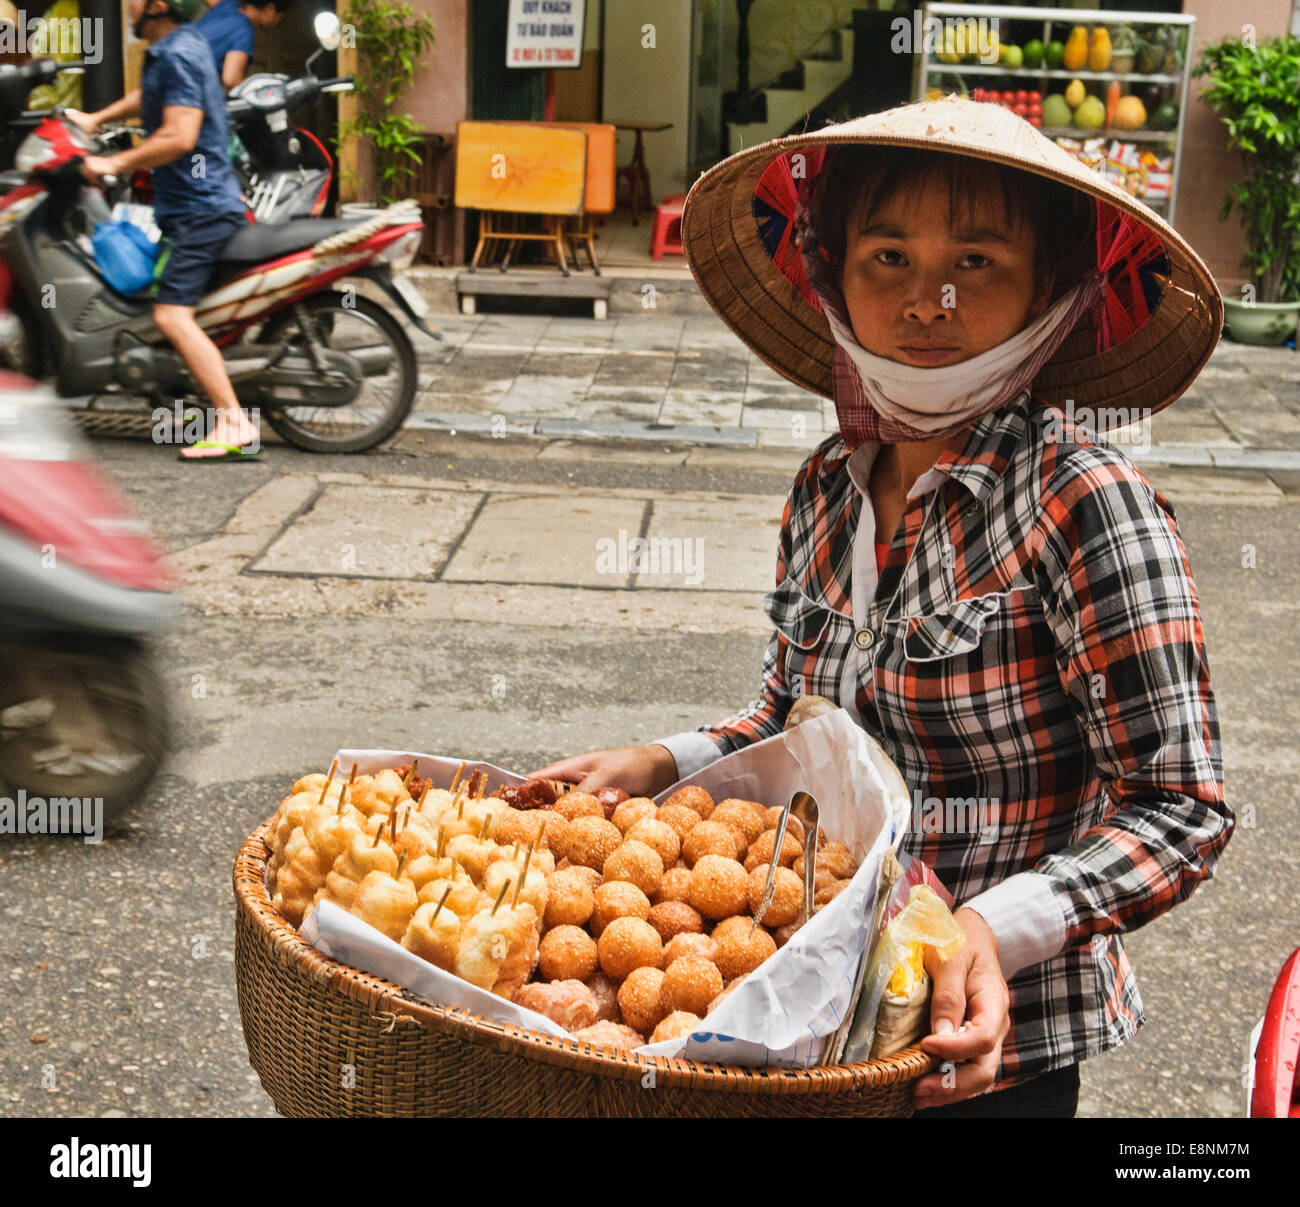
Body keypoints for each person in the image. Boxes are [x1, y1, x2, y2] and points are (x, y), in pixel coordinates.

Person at [534, 98, 1234, 1116]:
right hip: (808, 1019)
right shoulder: (829, 485)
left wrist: (991, 927)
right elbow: (798, 725)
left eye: (977, 262)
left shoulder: (1082, 502)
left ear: (1049, 289)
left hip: (985, 1053)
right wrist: (663, 760)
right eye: (888, 256)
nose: (926, 300)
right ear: (832, 271)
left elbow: (1180, 804)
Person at [69, 0, 259, 461]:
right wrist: (96, 119)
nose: (127, 5)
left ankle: (234, 421)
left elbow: (179, 135)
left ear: (158, 5)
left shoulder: (177, 52)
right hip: (199, 205)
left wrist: (113, 161)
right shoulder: (179, 46)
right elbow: (153, 97)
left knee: (170, 315)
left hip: (199, 211)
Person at [196, 0, 291, 89]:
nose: (278, 22)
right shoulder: (243, 31)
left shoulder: (228, 3)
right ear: (270, 9)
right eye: (280, 16)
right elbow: (231, 80)